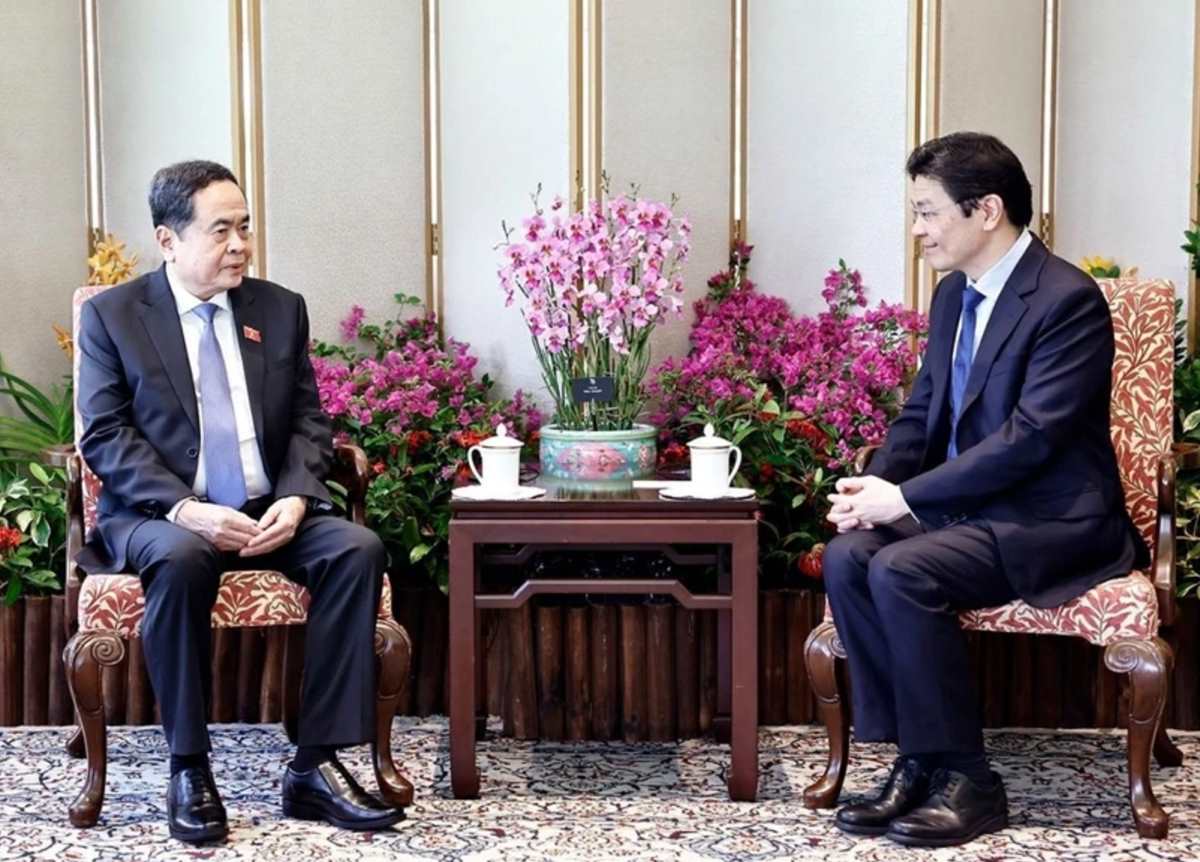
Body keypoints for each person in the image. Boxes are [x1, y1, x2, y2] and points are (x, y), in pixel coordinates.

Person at [821, 132, 1147, 848]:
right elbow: (921, 413)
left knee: (904, 566)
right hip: (968, 510)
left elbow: (1031, 439)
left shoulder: (1066, 300)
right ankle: (916, 759)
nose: (916, 230)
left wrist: (905, 503)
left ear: (988, 210)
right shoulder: (951, 296)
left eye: (928, 212)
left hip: (1051, 518)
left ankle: (970, 779)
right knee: (848, 555)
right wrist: (874, 485)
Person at [76, 160, 405, 843]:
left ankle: (315, 764)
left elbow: (312, 421)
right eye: (220, 229)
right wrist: (185, 508)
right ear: (168, 240)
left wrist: (295, 496)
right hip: (162, 517)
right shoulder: (114, 317)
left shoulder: (278, 308)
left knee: (355, 547)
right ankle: (189, 766)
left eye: (245, 227)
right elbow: (103, 434)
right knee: (182, 558)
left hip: (266, 507)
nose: (240, 245)